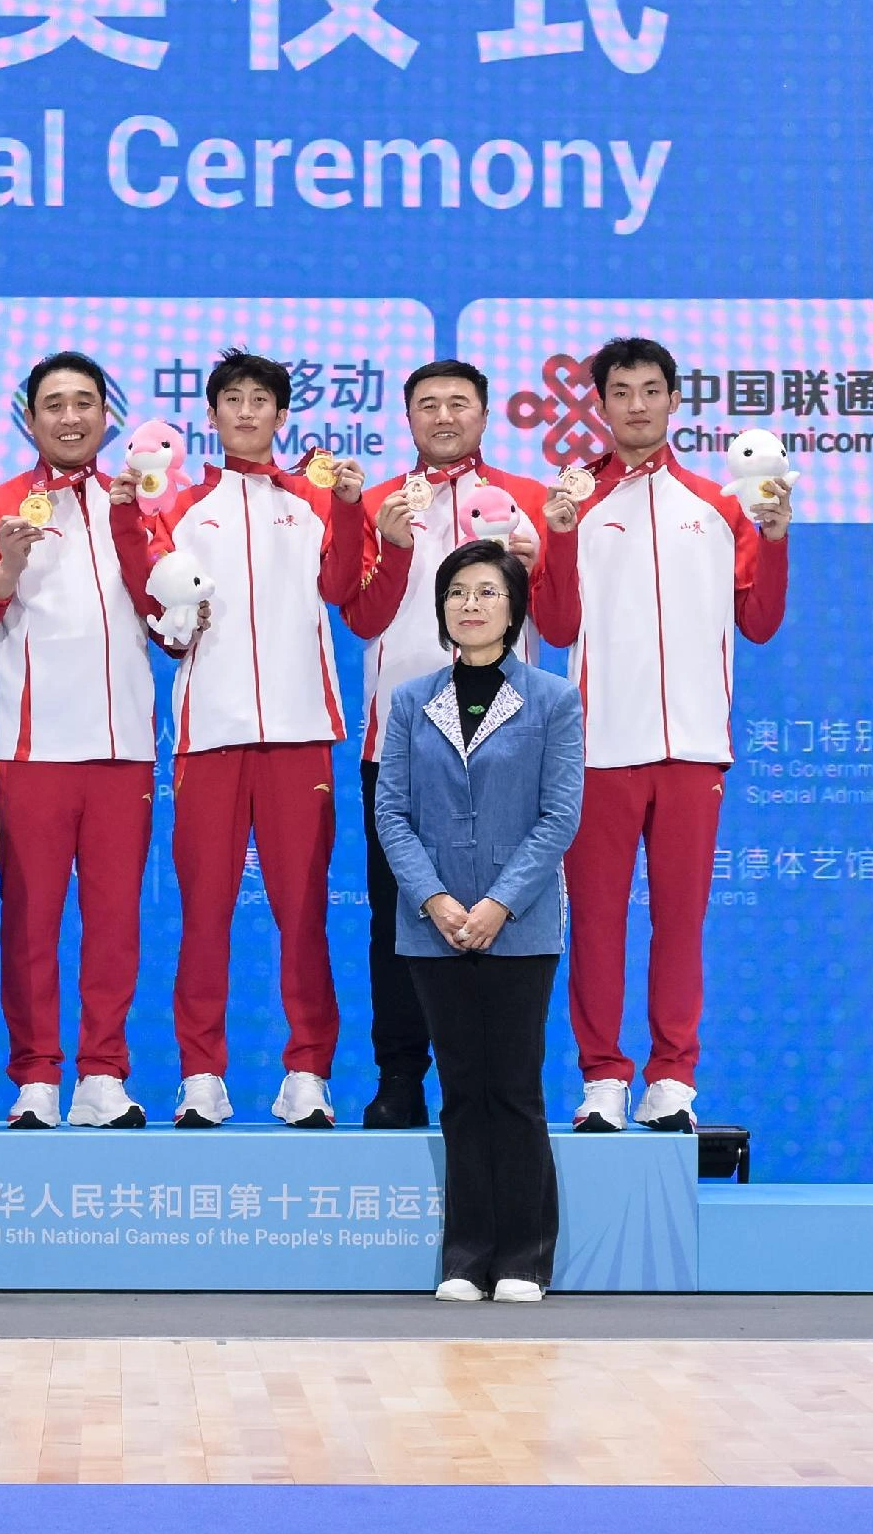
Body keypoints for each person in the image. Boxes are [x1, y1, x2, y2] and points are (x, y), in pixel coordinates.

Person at [529, 335, 788, 1135]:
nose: (636, 404)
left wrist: (775, 540)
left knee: (680, 920)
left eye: (651, 389)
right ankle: (603, 1076)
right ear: (599, 405)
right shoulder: (573, 501)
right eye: (620, 391)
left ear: (675, 401)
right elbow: (555, 623)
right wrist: (561, 533)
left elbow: (761, 622)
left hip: (693, 752)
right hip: (598, 750)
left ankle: (673, 1077)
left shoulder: (720, 505)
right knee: (597, 921)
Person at [151, 353, 375, 1128]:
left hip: (299, 732)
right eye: (232, 400)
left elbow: (347, 588)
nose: (247, 412)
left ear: (282, 415)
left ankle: (307, 1071)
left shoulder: (311, 500)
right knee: (204, 912)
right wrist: (177, 627)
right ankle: (201, 1072)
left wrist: (348, 507)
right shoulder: (179, 507)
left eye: (261, 400)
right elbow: (164, 621)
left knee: (304, 911)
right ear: (209, 415)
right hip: (208, 735)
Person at [0, 350, 163, 1128]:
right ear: (31, 418)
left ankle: (103, 1072)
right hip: (33, 747)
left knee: (115, 919)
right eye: (53, 404)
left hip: (123, 748)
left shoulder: (142, 503)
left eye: (84, 402)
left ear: (107, 414)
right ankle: (36, 1074)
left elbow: (172, 617)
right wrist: (6, 566)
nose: (70, 417)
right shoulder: (0, 507)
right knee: (31, 918)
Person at [338, 359, 548, 1128]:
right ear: (409, 418)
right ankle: (401, 1077)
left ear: (486, 413)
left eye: (459, 402)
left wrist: (537, 560)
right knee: (400, 916)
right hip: (401, 744)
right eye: (428, 404)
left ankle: (502, 1083)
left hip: (508, 745)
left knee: (508, 908)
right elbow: (358, 617)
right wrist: (389, 546)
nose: (444, 415)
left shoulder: (527, 505)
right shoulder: (379, 504)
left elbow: (555, 619)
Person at [374, 542, 583, 1304]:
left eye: (487, 591)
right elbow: (391, 813)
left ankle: (524, 1257)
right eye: (457, 592)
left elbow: (559, 815)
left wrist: (499, 902)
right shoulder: (408, 700)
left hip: (518, 927)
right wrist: (435, 900)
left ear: (515, 607)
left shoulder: (553, 699)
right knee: (461, 1091)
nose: (471, 604)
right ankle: (466, 1257)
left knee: (515, 1090)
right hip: (433, 928)